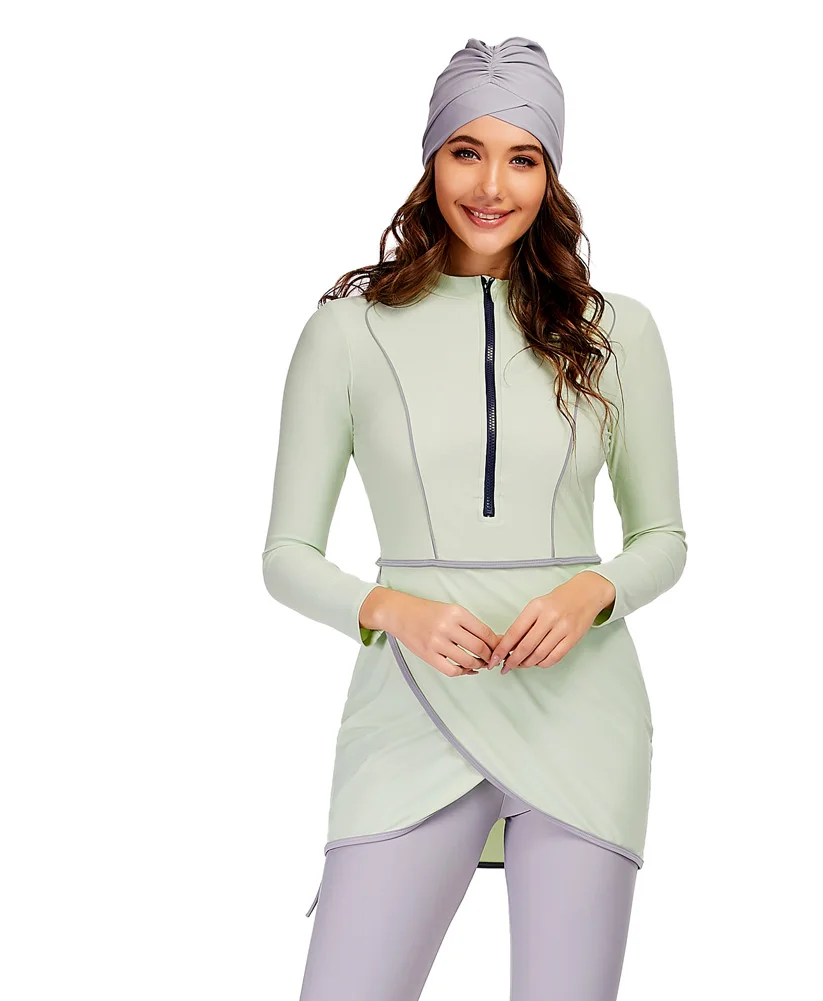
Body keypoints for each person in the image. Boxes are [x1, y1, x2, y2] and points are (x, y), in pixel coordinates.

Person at [261, 35, 687, 1001]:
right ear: (431, 160)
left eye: (522, 157)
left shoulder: (617, 331)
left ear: (550, 174)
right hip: (408, 705)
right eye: (466, 151)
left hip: (580, 712)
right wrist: (393, 610)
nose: (491, 185)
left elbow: (663, 539)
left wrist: (591, 593)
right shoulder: (346, 332)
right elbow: (286, 555)